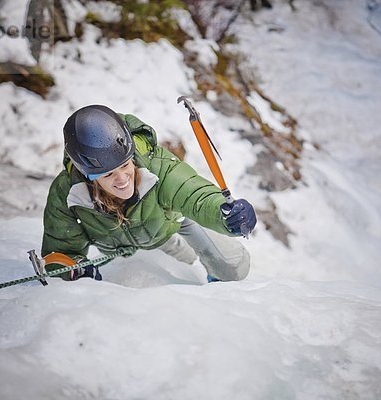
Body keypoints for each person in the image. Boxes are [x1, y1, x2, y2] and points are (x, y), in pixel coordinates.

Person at [41, 105, 256, 283]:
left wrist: (224, 213)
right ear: (88, 176)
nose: (123, 178)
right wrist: (73, 270)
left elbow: (194, 194)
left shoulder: (157, 167)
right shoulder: (67, 194)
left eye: (125, 165)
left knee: (234, 266)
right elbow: (60, 252)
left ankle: (208, 275)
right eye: (108, 175)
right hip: (130, 241)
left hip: (167, 223)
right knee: (180, 263)